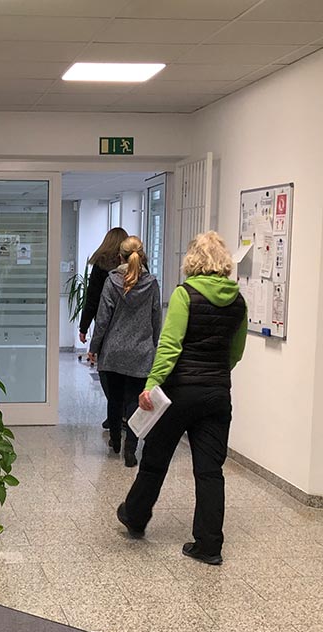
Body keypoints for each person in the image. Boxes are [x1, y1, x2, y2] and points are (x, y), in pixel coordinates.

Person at [116, 231, 247, 566]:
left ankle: (135, 516)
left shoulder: (185, 294)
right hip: (217, 393)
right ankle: (209, 545)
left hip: (180, 393)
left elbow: (170, 346)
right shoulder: (238, 301)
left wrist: (151, 384)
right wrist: (214, 374)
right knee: (210, 470)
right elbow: (236, 352)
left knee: (156, 459)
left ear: (194, 260)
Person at [89, 236, 161, 468]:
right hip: (141, 351)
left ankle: (115, 441)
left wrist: (94, 348)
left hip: (114, 351)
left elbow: (102, 320)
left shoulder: (112, 281)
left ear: (119, 257)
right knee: (134, 401)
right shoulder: (152, 284)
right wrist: (153, 345)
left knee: (115, 398)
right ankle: (131, 448)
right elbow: (156, 318)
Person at [79, 227, 128, 430]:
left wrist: (84, 327)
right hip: (133, 328)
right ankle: (123, 414)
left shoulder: (100, 266)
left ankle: (116, 413)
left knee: (107, 372)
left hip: (107, 326)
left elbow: (92, 299)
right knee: (129, 375)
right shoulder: (139, 267)